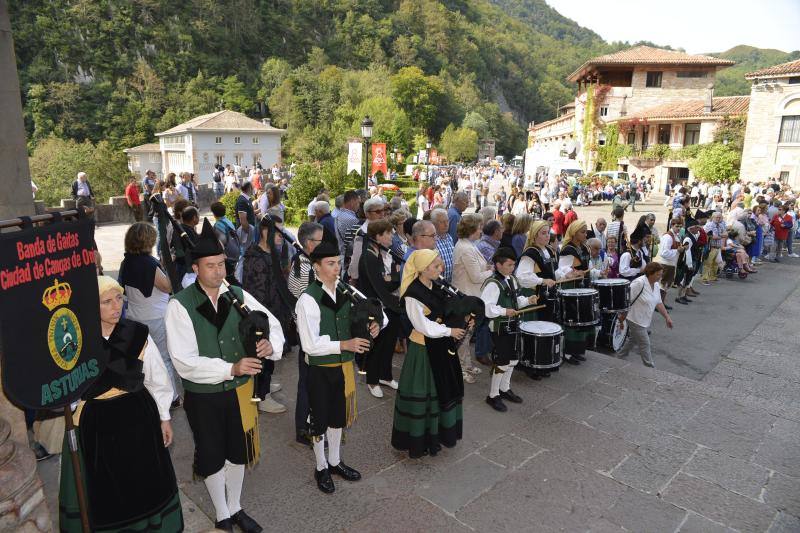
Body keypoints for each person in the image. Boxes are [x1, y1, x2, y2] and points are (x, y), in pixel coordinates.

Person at [165, 219, 284, 531]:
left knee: (237, 453)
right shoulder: (180, 305)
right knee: (213, 456)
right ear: (195, 268)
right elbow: (184, 362)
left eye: (221, 264)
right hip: (204, 397)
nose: (218, 272)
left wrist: (271, 345)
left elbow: (273, 322)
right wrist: (230, 368)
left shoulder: (237, 295)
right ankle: (222, 514)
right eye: (210, 266)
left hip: (241, 392)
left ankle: (236, 507)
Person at [59, 276, 182, 532]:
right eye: (107, 301)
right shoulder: (77, 344)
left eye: (119, 299)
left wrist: (164, 417)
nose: (116, 306)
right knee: (108, 489)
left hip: (139, 418)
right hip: (97, 425)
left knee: (145, 481)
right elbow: (65, 392)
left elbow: (157, 377)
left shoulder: (135, 334)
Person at [295, 241, 382, 493]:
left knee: (337, 418)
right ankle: (320, 466)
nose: (337, 269)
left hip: (344, 368)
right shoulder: (308, 299)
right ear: (316, 267)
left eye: (338, 263)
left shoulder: (346, 290)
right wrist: (346, 343)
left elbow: (378, 312)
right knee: (319, 420)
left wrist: (375, 325)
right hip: (319, 370)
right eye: (330, 264)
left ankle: (334, 461)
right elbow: (310, 345)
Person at [391, 250, 465, 459]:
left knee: (440, 390)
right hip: (423, 350)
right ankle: (419, 440)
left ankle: (436, 435)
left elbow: (444, 311)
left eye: (439, 265)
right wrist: (449, 331)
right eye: (435, 266)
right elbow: (421, 325)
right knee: (425, 392)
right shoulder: (413, 294)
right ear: (423, 269)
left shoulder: (435, 285)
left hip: (439, 346)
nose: (440, 269)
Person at [118, 222, 181, 405]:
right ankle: (171, 398)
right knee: (163, 358)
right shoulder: (148, 263)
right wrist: (168, 267)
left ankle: (150, 396)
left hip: (135, 316)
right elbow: (167, 286)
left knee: (144, 360)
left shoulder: (126, 261)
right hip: (155, 317)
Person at [242, 216, 296, 414]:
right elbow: (256, 297)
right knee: (263, 358)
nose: (282, 237)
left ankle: (266, 384)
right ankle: (261, 396)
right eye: (278, 232)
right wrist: (266, 325)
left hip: (275, 314)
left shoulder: (271, 253)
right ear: (265, 232)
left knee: (270, 358)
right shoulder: (256, 259)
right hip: (263, 319)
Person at [481, 247, 536, 412]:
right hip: (499, 326)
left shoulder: (511, 279)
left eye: (514, 265)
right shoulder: (493, 284)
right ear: (498, 265)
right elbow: (486, 307)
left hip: (513, 324)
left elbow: (515, 300)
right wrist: (504, 311)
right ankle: (492, 395)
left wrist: (527, 301)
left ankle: (504, 389)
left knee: (513, 359)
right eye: (509, 265)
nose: (512, 268)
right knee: (502, 360)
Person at [287, 222, 324, 446]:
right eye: (320, 240)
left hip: (317, 330)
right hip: (308, 332)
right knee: (308, 380)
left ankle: (314, 420)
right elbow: (302, 300)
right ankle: (303, 426)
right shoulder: (302, 267)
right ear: (309, 244)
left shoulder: (312, 263)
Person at [357, 219, 402, 397]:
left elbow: (384, 281)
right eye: (388, 233)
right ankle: (372, 380)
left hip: (384, 307)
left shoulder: (376, 253)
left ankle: (385, 375)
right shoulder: (368, 256)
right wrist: (398, 278)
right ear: (377, 236)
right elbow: (379, 287)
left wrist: (393, 278)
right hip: (375, 310)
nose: (392, 236)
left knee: (388, 344)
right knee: (377, 347)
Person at [452, 214, 493, 383]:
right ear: (472, 230)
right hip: (466, 296)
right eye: (479, 227)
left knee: (467, 335)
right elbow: (476, 276)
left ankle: (466, 365)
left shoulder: (469, 245)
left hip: (470, 295)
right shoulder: (466, 248)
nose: (481, 230)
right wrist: (492, 271)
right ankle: (460, 369)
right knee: (463, 336)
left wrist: (487, 268)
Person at [616, 262, 673, 368]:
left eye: (661, 274)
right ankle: (650, 368)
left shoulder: (655, 285)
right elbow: (626, 301)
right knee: (645, 343)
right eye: (658, 274)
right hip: (634, 318)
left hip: (644, 319)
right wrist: (622, 319)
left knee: (633, 339)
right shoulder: (639, 283)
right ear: (650, 273)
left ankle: (620, 356)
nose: (660, 277)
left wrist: (667, 317)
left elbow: (659, 302)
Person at [557, 220, 594, 364]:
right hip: (570, 288)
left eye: (585, 232)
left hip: (582, 286)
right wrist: (573, 272)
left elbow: (587, 266)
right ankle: (567, 353)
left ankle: (577, 350)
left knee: (581, 320)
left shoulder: (584, 248)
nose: (586, 234)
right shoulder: (568, 249)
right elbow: (562, 269)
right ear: (574, 233)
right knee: (572, 319)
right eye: (582, 232)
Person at [655, 216, 685, 309]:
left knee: (666, 285)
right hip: (666, 264)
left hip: (671, 264)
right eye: (677, 226)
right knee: (663, 285)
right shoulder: (668, 237)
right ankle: (658, 305)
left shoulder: (675, 236)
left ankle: (662, 303)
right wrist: (677, 251)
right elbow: (664, 253)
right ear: (672, 225)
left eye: (680, 226)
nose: (679, 228)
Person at [211, 202, 242, 283]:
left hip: (228, 256)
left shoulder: (218, 225)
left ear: (214, 213)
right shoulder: (227, 221)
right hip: (236, 253)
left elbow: (221, 242)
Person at [431, 208, 456, 282]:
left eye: (447, 221)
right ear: (433, 223)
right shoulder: (432, 241)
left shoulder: (449, 237)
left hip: (451, 283)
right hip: (439, 284)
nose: (446, 224)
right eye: (442, 222)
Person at [702, 211, 726, 283]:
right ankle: (705, 278)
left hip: (717, 247)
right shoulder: (709, 225)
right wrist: (721, 235)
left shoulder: (721, 225)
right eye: (717, 217)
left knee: (715, 264)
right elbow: (713, 237)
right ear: (712, 217)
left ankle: (713, 277)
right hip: (711, 246)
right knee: (708, 263)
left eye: (720, 217)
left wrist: (719, 236)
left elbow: (726, 234)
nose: (718, 219)